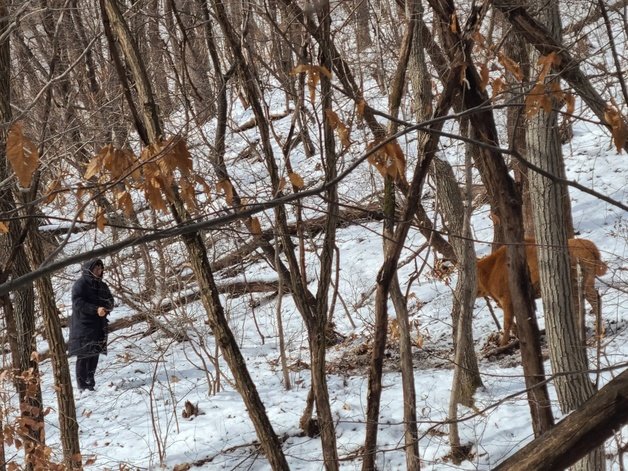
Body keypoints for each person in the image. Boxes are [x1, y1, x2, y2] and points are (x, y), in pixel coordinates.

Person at [68, 259, 114, 392]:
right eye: (96, 269)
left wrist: (107, 308)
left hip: (98, 325)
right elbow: (78, 303)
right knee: (84, 355)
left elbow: (110, 300)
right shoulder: (80, 285)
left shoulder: (102, 285)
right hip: (83, 326)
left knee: (95, 353)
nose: (99, 272)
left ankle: (90, 382)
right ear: (89, 269)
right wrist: (95, 309)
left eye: (101, 269)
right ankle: (82, 386)